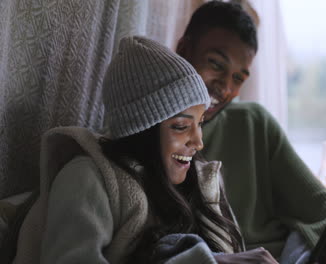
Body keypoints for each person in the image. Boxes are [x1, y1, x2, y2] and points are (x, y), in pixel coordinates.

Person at [176, 1, 326, 263]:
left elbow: (320, 207)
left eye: (238, 78)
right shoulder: (151, 138)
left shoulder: (254, 123)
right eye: (216, 64)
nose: (225, 86)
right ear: (184, 50)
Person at [12, 36, 258, 264]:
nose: (198, 142)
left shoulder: (203, 183)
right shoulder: (87, 179)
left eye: (200, 123)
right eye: (182, 126)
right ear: (143, 130)